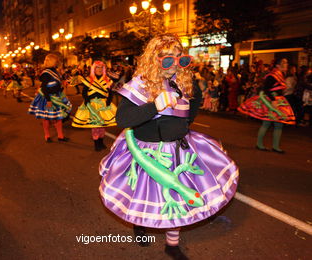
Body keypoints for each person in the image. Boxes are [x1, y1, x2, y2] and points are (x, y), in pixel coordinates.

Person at [99, 34, 239, 259]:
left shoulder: (185, 82)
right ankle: (140, 225)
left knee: (178, 197)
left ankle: (171, 244)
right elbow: (124, 120)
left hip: (178, 150)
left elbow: (193, 107)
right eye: (167, 59)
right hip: (147, 152)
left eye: (180, 59)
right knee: (143, 195)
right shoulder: (139, 85)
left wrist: (179, 128)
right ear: (154, 59)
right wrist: (154, 106)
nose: (174, 64)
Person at [238, 58, 295, 153]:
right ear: (277, 65)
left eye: (286, 62)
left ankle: (276, 147)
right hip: (270, 101)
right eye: (284, 62)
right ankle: (259, 144)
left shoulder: (281, 74)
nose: (286, 64)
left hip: (279, 101)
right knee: (266, 123)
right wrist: (273, 100)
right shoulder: (272, 76)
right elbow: (266, 90)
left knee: (279, 124)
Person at [71, 60, 117, 151]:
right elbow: (84, 93)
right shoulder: (89, 80)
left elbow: (110, 92)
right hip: (92, 105)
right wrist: (87, 102)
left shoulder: (107, 80)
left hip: (103, 105)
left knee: (103, 125)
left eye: (101, 68)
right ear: (93, 69)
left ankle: (101, 142)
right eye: (97, 68)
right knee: (95, 126)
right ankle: (96, 144)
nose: (99, 69)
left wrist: (108, 101)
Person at [28, 53, 71, 142]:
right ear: (52, 61)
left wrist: (62, 91)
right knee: (46, 118)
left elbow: (58, 84)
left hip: (57, 96)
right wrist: (48, 100)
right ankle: (47, 136)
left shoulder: (55, 71)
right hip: (48, 98)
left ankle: (60, 136)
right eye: (56, 61)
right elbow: (44, 88)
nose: (57, 62)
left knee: (58, 117)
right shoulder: (46, 73)